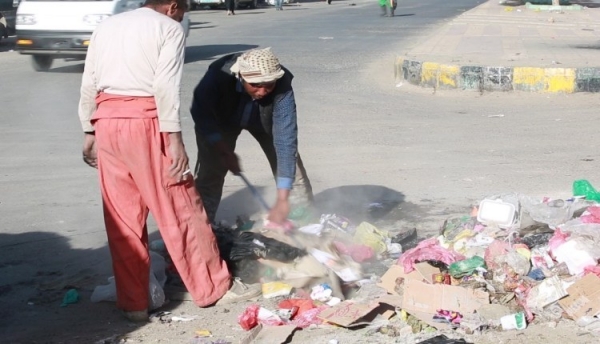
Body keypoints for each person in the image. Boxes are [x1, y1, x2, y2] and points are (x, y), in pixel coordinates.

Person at [78, 0, 258, 322]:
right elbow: (164, 86)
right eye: (184, 9)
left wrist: (88, 129)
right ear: (172, 6)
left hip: (106, 122)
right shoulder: (169, 28)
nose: (183, 15)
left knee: (122, 220)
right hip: (146, 124)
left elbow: (89, 80)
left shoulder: (106, 26)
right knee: (181, 210)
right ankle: (212, 288)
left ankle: (134, 303)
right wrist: (174, 141)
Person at [190, 48, 313, 226]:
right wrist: (221, 148)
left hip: (266, 122)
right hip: (222, 122)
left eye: (269, 85)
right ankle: (201, 229)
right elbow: (201, 112)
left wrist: (282, 198)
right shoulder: (219, 76)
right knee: (210, 174)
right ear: (241, 76)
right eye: (255, 85)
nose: (262, 91)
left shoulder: (282, 84)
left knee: (293, 174)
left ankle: (303, 226)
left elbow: (286, 139)